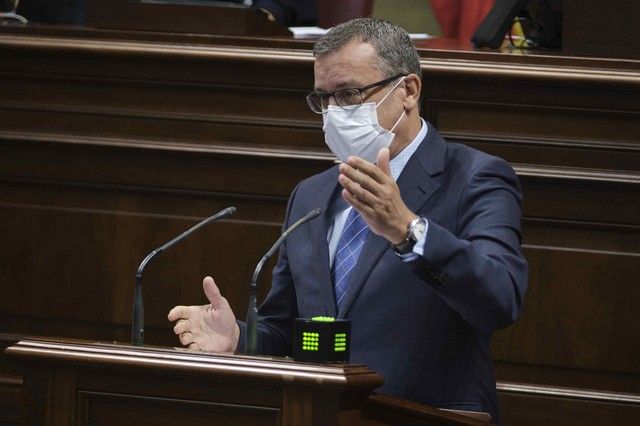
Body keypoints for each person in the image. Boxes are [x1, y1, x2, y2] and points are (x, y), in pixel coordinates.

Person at [168, 17, 528, 422]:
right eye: (324, 99)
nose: (334, 112)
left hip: (426, 416)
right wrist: (239, 339)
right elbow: (287, 331)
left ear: (408, 90)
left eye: (350, 94)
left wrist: (407, 230)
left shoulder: (474, 178)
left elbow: (500, 300)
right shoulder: (312, 193)